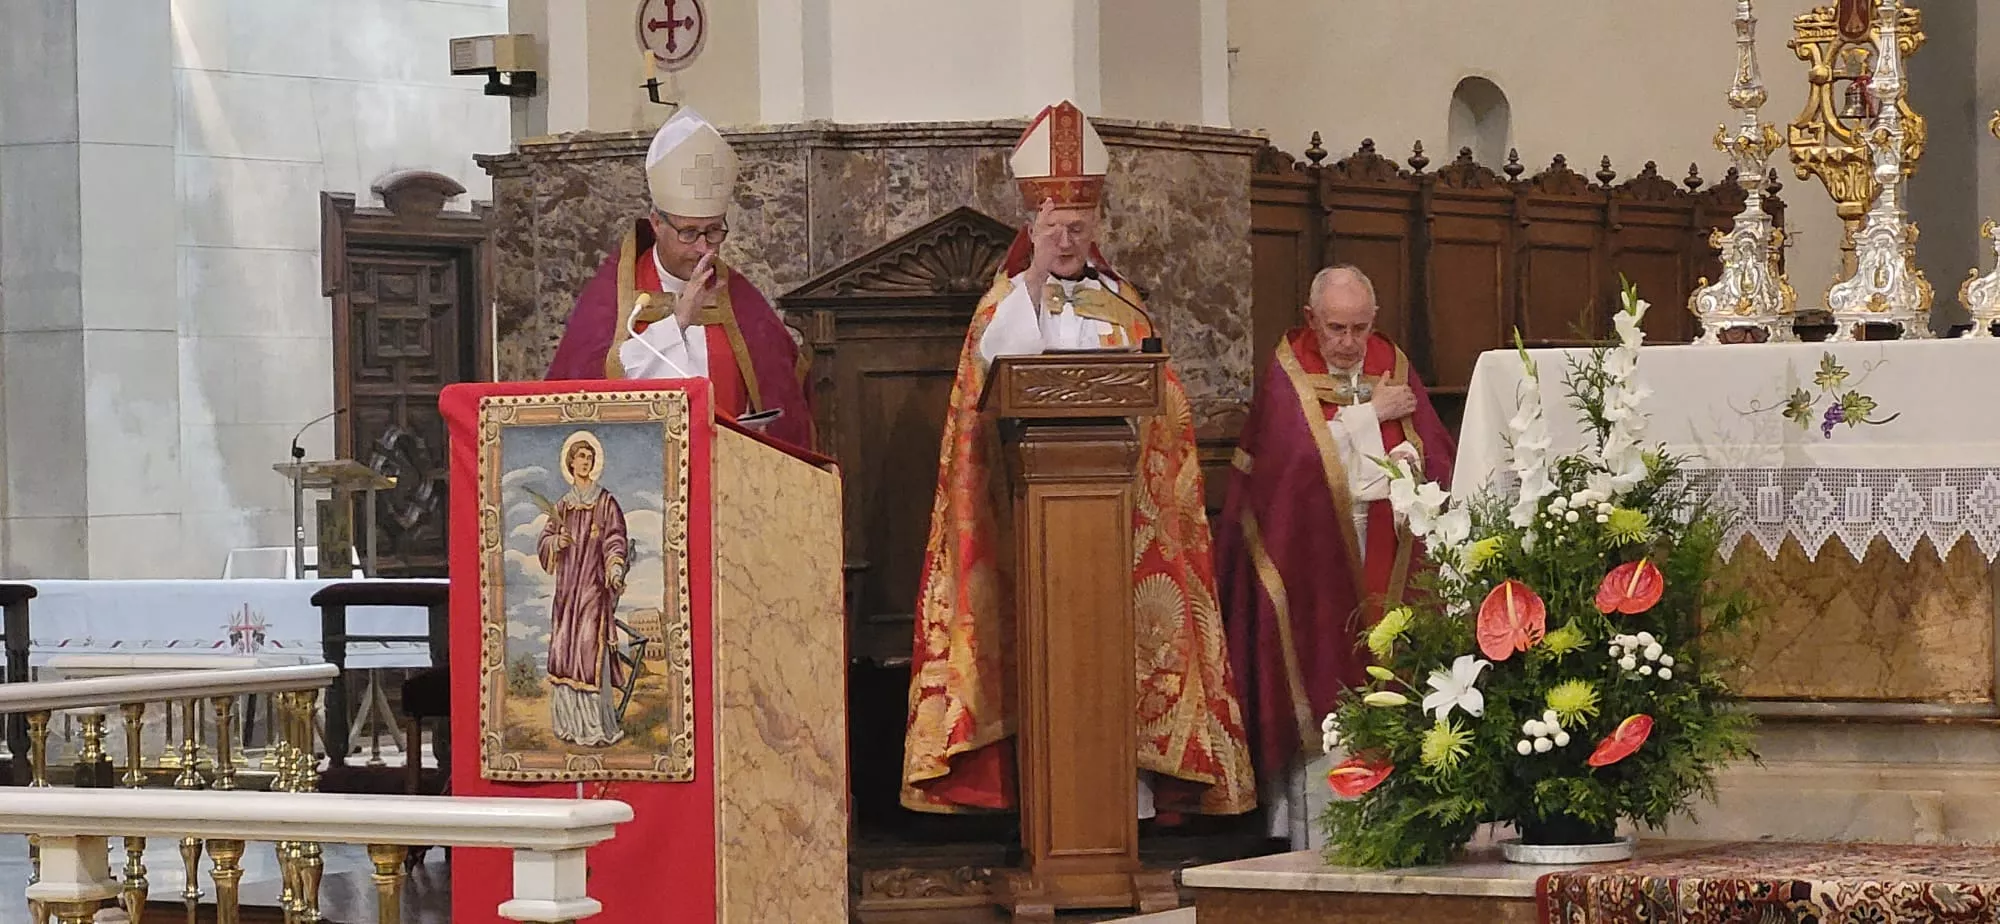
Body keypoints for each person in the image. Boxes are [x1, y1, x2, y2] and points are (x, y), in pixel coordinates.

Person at [900, 100, 1256, 819]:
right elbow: (988, 394)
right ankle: (1040, 796)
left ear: (1097, 231)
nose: (1066, 238)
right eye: (1053, 227)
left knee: (1110, 652)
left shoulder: (1122, 306)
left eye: (1078, 227)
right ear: (1030, 230)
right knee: (1045, 652)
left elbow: (1166, 410)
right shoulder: (1003, 306)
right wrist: (1030, 289)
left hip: (1116, 523)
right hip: (1027, 523)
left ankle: (1124, 801)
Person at [1214, 265, 1456, 849]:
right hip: (1312, 558)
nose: (1349, 344)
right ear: (1310, 320)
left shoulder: (1390, 364)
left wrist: (1412, 467)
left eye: (1360, 328)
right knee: (1322, 663)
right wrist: (1368, 417)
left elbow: (1434, 452)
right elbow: (1289, 466)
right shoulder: (1289, 372)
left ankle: (1404, 819)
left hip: (1388, 548)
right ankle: (1313, 829)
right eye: (1336, 329)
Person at [545, 107, 812, 449]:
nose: (703, 248)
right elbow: (585, 392)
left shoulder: (739, 299)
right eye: (689, 233)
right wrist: (678, 321)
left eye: (714, 231)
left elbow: (785, 397)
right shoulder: (613, 298)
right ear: (656, 222)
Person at [538, 431, 631, 748]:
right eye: (580, 457)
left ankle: (594, 726)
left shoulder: (605, 502)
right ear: (570, 462)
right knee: (566, 649)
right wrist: (556, 543)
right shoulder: (562, 506)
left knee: (589, 647)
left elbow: (615, 537)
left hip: (593, 588)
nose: (586, 462)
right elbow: (545, 540)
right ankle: (568, 723)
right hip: (567, 592)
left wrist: (615, 565)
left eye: (590, 458)